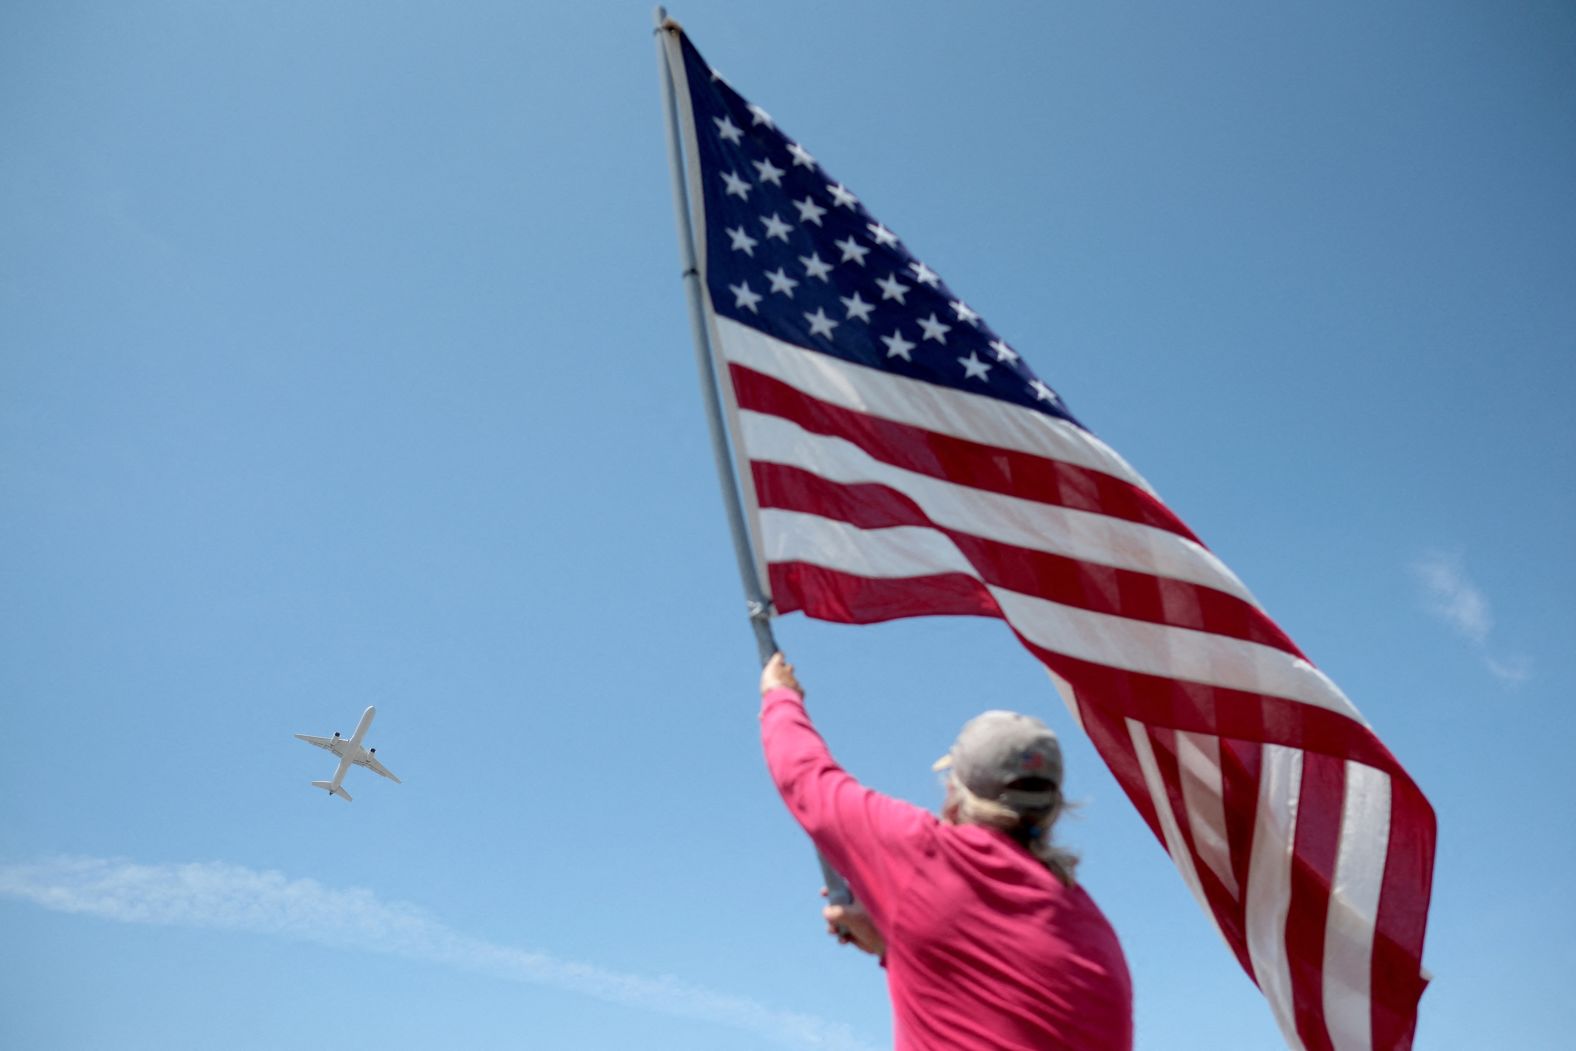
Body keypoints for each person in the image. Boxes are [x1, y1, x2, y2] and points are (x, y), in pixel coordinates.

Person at [760, 652, 1133, 1051]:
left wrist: (779, 694)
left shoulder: (927, 855)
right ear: (1054, 805)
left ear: (957, 791)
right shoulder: (1097, 934)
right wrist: (898, 944)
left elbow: (804, 778)